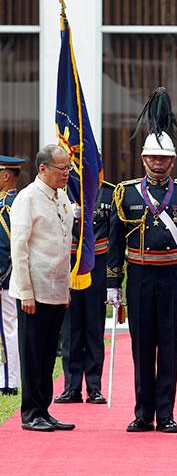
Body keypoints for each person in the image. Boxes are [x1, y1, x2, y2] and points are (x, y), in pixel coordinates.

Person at [107, 88, 177, 433]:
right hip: (141, 277)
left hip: (173, 278)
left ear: (173, 161)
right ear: (143, 159)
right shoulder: (126, 192)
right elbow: (116, 240)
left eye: (164, 159)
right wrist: (112, 284)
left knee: (170, 345)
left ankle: (167, 414)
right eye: (153, 159)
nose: (158, 164)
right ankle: (142, 413)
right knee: (142, 346)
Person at [9, 144, 75, 431]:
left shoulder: (61, 197)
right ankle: (31, 412)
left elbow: (64, 245)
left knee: (49, 354)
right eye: (63, 168)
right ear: (43, 168)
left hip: (56, 289)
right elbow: (19, 248)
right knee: (33, 353)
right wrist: (26, 292)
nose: (67, 173)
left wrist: (67, 288)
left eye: (69, 168)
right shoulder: (27, 198)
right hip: (33, 291)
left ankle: (44, 410)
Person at [55, 182, 114, 404]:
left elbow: (114, 234)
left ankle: (94, 387)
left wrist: (113, 279)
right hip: (69, 265)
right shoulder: (61, 192)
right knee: (70, 328)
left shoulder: (109, 192)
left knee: (94, 328)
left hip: (97, 266)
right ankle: (71, 387)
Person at [0, 155, 26, 396]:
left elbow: (6, 245)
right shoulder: (13, 202)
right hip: (9, 275)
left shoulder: (9, 204)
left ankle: (9, 381)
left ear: (5, 176)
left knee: (7, 328)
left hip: (5, 276)